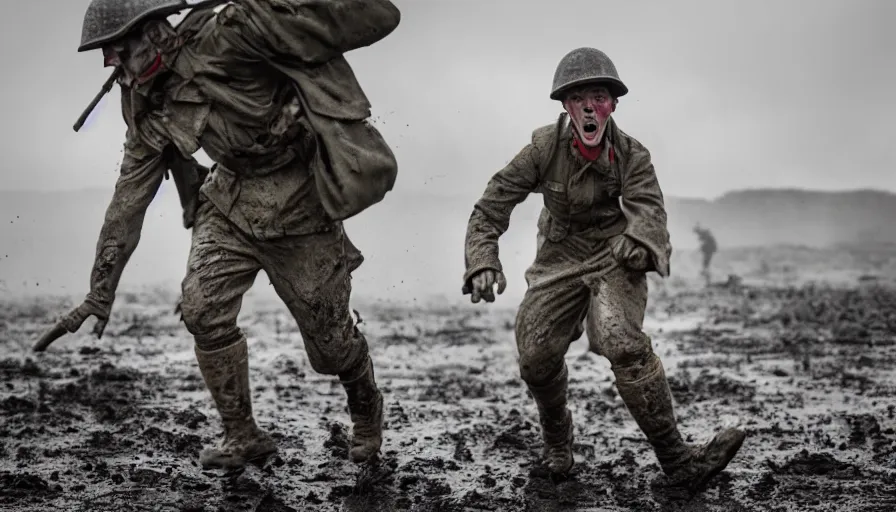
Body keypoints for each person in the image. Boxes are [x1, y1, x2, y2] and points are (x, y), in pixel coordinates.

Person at [52, 0, 401, 470]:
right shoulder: (147, 103)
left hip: (299, 205)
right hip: (228, 202)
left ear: (152, 33)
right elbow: (130, 196)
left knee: (331, 346)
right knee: (202, 308)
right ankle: (243, 434)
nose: (109, 61)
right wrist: (100, 290)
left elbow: (359, 19)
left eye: (118, 48)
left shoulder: (233, 35)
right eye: (106, 52)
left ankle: (365, 407)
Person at [462, 47, 745, 490]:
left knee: (620, 340)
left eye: (599, 96)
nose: (590, 106)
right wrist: (482, 260)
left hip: (614, 256)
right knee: (535, 357)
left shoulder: (633, 155)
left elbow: (650, 212)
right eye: (579, 98)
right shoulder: (541, 148)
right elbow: (491, 206)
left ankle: (678, 462)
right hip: (558, 258)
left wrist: (637, 243)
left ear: (613, 105)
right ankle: (558, 445)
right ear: (566, 107)